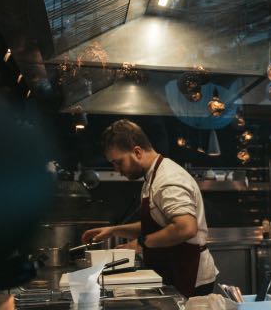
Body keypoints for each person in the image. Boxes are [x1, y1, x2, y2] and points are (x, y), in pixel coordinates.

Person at [82, 120, 218, 297]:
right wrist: (114, 231)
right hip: (174, 269)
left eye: (119, 162)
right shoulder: (152, 176)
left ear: (137, 152)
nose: (117, 170)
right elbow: (156, 225)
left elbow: (185, 228)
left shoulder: (168, 179)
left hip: (189, 274)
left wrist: (139, 244)